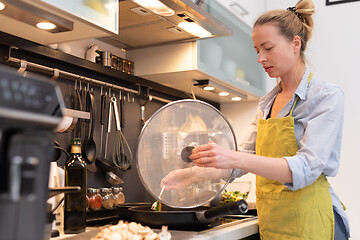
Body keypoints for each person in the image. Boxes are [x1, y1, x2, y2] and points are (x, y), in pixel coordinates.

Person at [162, 0, 350, 239]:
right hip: (275, 222)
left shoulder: (326, 97)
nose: (260, 58)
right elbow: (246, 158)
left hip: (312, 222)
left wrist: (231, 156)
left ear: (295, 44)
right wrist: (192, 175)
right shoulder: (267, 102)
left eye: (268, 48)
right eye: (257, 50)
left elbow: (304, 169)